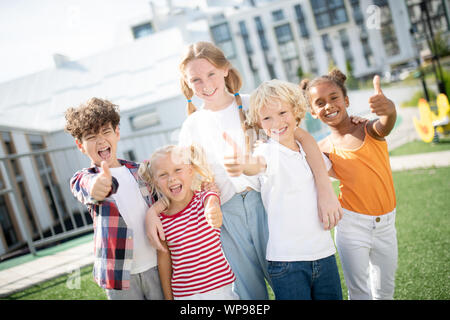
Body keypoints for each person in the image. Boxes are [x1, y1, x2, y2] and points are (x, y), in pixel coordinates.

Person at [146, 41, 342, 300]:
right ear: (187, 82)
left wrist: (325, 189)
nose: (205, 85)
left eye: (211, 74)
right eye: (196, 80)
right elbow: (185, 179)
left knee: (289, 280)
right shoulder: (191, 126)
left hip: (269, 206)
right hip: (227, 217)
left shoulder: (254, 103)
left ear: (225, 69)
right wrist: (153, 211)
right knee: (250, 294)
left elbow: (302, 137)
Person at [224, 79, 342, 300]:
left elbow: (332, 170)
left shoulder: (308, 149)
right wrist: (241, 165)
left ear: (296, 111)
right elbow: (256, 166)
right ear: (259, 122)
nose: (276, 122)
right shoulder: (268, 152)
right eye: (267, 117)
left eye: (282, 113)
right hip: (288, 263)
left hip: (325, 254)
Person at [300, 69, 398, 300]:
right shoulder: (320, 148)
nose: (328, 106)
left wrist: (390, 110)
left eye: (334, 98)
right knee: (359, 292)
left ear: (346, 100)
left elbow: (386, 124)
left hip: (386, 225)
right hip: (352, 227)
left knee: (385, 290)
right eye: (319, 103)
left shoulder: (369, 129)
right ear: (312, 112)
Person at [65, 97, 164, 300]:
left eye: (106, 131)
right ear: (80, 145)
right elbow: (88, 188)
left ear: (117, 132)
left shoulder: (141, 171)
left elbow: (164, 198)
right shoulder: (83, 178)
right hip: (118, 276)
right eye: (91, 136)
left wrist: (155, 210)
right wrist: (99, 186)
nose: (100, 140)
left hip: (156, 264)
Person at [138, 144, 238, 300]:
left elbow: (212, 199)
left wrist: (213, 206)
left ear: (190, 171)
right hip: (184, 295)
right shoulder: (161, 220)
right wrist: (169, 298)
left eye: (178, 170)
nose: (172, 178)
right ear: (156, 182)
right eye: (163, 175)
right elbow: (164, 261)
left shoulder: (204, 199)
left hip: (220, 291)